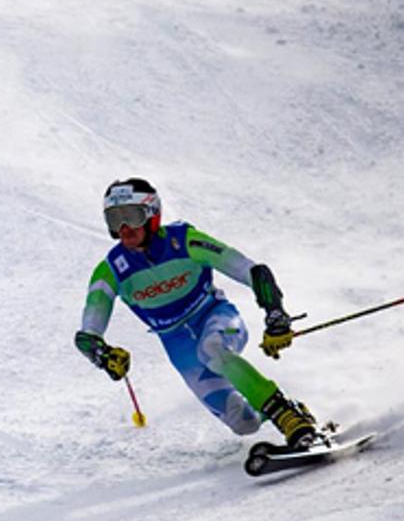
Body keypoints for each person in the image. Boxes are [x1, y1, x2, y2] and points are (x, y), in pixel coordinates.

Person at [74, 177, 320, 449]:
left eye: (131, 216)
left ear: (152, 216)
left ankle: (288, 416)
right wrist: (103, 355)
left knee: (213, 348)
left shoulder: (184, 241)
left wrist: (276, 313)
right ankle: (281, 409)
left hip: (216, 315)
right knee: (243, 422)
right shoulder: (111, 270)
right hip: (178, 345)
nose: (123, 228)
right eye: (114, 219)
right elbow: (87, 335)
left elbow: (251, 271)